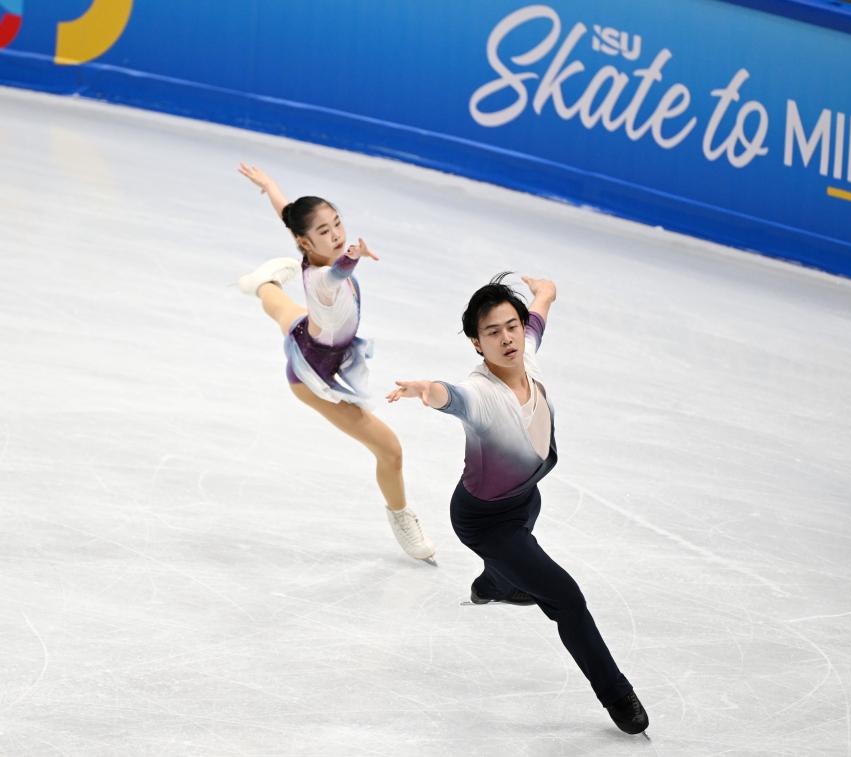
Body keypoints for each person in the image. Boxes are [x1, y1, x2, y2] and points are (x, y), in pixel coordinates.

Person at [386, 273, 649, 735]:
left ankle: (493, 583)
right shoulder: (482, 394)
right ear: (476, 343)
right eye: (492, 332)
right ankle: (616, 694)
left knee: (518, 568)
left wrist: (544, 294)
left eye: (512, 326)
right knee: (566, 599)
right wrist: (429, 390)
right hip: (485, 522)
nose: (507, 338)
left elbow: (536, 323)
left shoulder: (526, 355)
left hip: (526, 500)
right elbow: (454, 397)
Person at [236, 163, 435, 564]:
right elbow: (336, 274)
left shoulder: (307, 240)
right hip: (313, 376)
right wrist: (353, 258)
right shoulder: (322, 278)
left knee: (283, 311)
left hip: (311, 335)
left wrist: (271, 185)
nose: (337, 235)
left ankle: (264, 283)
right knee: (391, 450)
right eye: (325, 232)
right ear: (305, 242)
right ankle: (401, 518)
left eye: (338, 224)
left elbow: (288, 214)